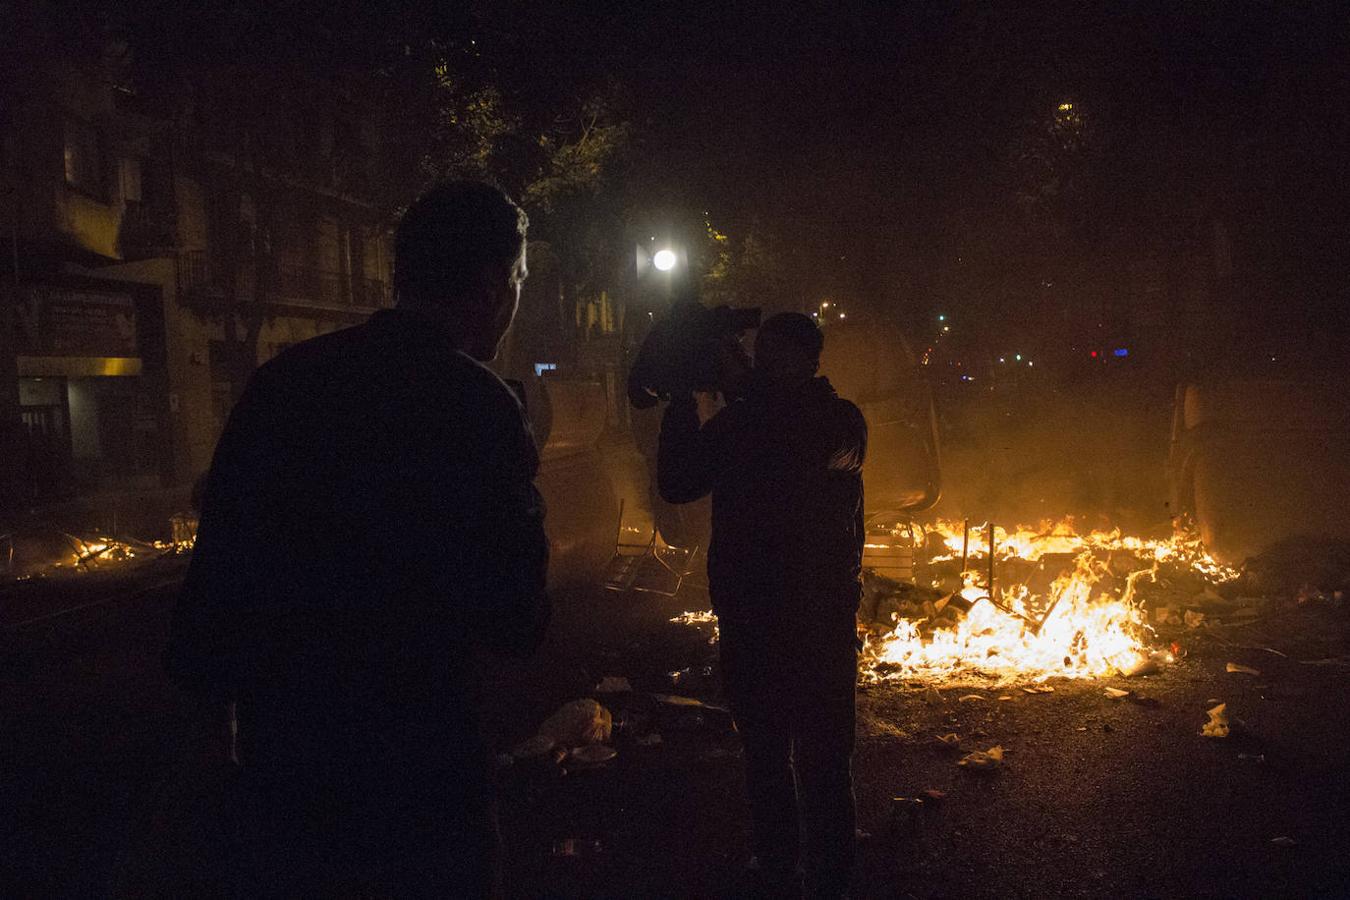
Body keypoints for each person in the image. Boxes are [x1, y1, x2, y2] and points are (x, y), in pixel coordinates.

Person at [164, 181, 549, 897]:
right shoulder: (477, 406)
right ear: (496, 283)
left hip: (290, 776)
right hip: (423, 784)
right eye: (520, 277)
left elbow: (216, 595)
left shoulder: (283, 384)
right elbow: (516, 619)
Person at [658, 312, 867, 898]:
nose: (763, 366)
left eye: (775, 357)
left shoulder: (839, 421)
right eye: (759, 356)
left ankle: (831, 877)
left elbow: (803, 445)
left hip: (818, 621)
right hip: (751, 617)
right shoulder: (746, 419)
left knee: (824, 761)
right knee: (765, 756)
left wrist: (745, 394)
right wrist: (680, 403)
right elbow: (678, 481)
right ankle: (778, 867)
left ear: (809, 362)